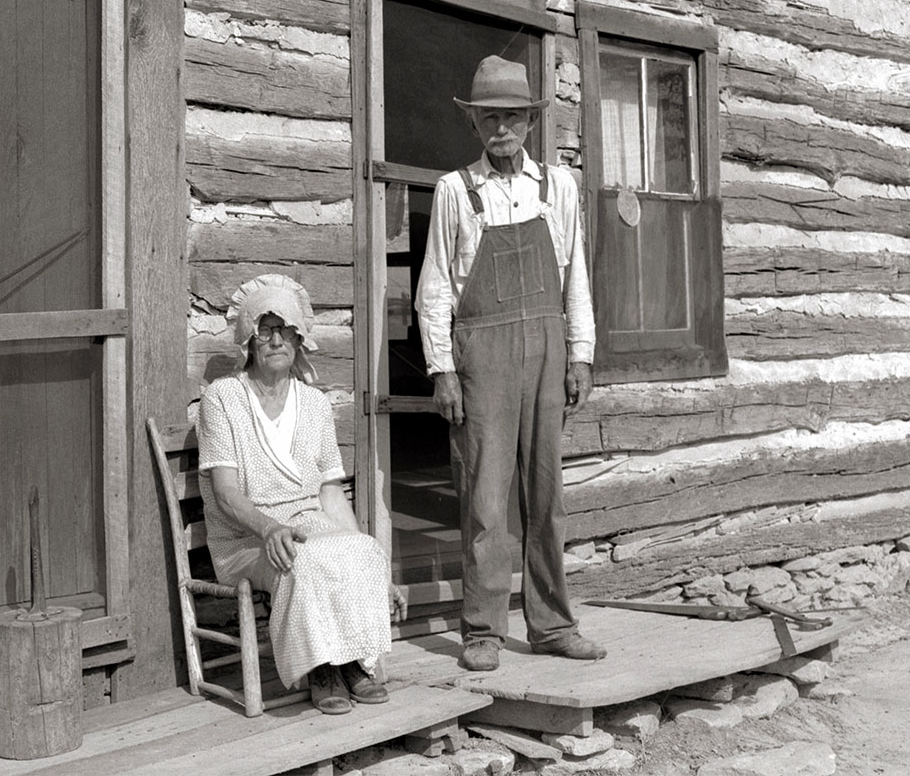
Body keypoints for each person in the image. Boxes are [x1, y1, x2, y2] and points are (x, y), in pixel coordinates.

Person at [415, 55, 606, 672]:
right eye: (490, 117)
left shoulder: (558, 187)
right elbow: (435, 289)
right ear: (476, 125)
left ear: (530, 122)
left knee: (546, 494)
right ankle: (484, 629)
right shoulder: (454, 190)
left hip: (548, 349)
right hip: (482, 356)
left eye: (513, 117)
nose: (502, 128)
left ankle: (553, 626)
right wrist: (442, 369)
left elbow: (576, 275)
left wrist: (580, 354)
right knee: (485, 497)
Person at [197, 274, 408, 714]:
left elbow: (330, 495)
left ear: (299, 339)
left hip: (306, 526)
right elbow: (226, 493)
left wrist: (364, 556)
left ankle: (352, 662)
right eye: (265, 330)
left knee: (364, 550)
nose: (276, 340)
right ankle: (322, 670)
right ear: (249, 342)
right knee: (305, 558)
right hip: (247, 536)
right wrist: (270, 526)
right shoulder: (223, 399)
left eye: (285, 330)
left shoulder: (313, 403)